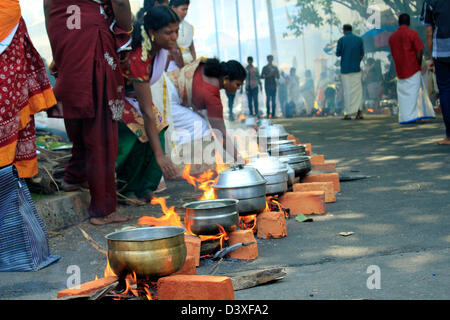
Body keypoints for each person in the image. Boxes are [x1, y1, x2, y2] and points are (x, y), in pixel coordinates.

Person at [45, 0, 132, 226]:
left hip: (66, 36)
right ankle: (103, 210)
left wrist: (60, 49)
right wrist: (125, 35)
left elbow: (48, 7)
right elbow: (120, 3)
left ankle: (75, 176)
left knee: (78, 114)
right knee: (101, 130)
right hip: (93, 38)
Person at [118, 5, 179, 204]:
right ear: (153, 33)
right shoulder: (139, 57)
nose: (174, 37)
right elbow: (146, 111)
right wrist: (160, 156)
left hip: (134, 97)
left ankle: (145, 188)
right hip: (116, 98)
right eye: (168, 32)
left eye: (176, 31)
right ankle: (127, 190)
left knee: (159, 130)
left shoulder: (160, 50)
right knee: (139, 135)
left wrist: (160, 151)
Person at [166, 58, 246, 165]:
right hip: (167, 97)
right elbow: (221, 134)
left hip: (165, 84)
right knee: (200, 127)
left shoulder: (207, 70)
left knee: (201, 124)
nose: (238, 89)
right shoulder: (212, 95)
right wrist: (238, 158)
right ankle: (183, 165)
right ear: (226, 79)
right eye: (237, 84)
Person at [389, 13, 436, 124]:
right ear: (409, 23)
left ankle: (405, 117)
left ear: (398, 23)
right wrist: (418, 63)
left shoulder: (392, 38)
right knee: (414, 94)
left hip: (400, 70)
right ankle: (412, 116)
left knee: (403, 95)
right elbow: (419, 50)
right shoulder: (412, 34)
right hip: (413, 67)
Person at [421, 0, 450, 145]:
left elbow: (429, 31)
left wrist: (431, 57)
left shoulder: (430, 1)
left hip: (442, 52)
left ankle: (449, 136)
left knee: (445, 91)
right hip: (442, 52)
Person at [336, 24, 365, 120]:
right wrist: (356, 61)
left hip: (345, 70)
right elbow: (362, 55)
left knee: (347, 92)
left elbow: (338, 54)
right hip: (356, 69)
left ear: (344, 31)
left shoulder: (341, 40)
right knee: (358, 92)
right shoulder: (359, 40)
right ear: (351, 30)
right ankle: (359, 112)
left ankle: (348, 114)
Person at [166, 0, 196, 72]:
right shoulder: (167, 26)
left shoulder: (188, 26)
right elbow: (174, 51)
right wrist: (183, 69)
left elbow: (192, 48)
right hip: (174, 66)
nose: (185, 12)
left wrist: (193, 65)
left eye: (187, 9)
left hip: (189, 65)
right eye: (183, 9)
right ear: (173, 8)